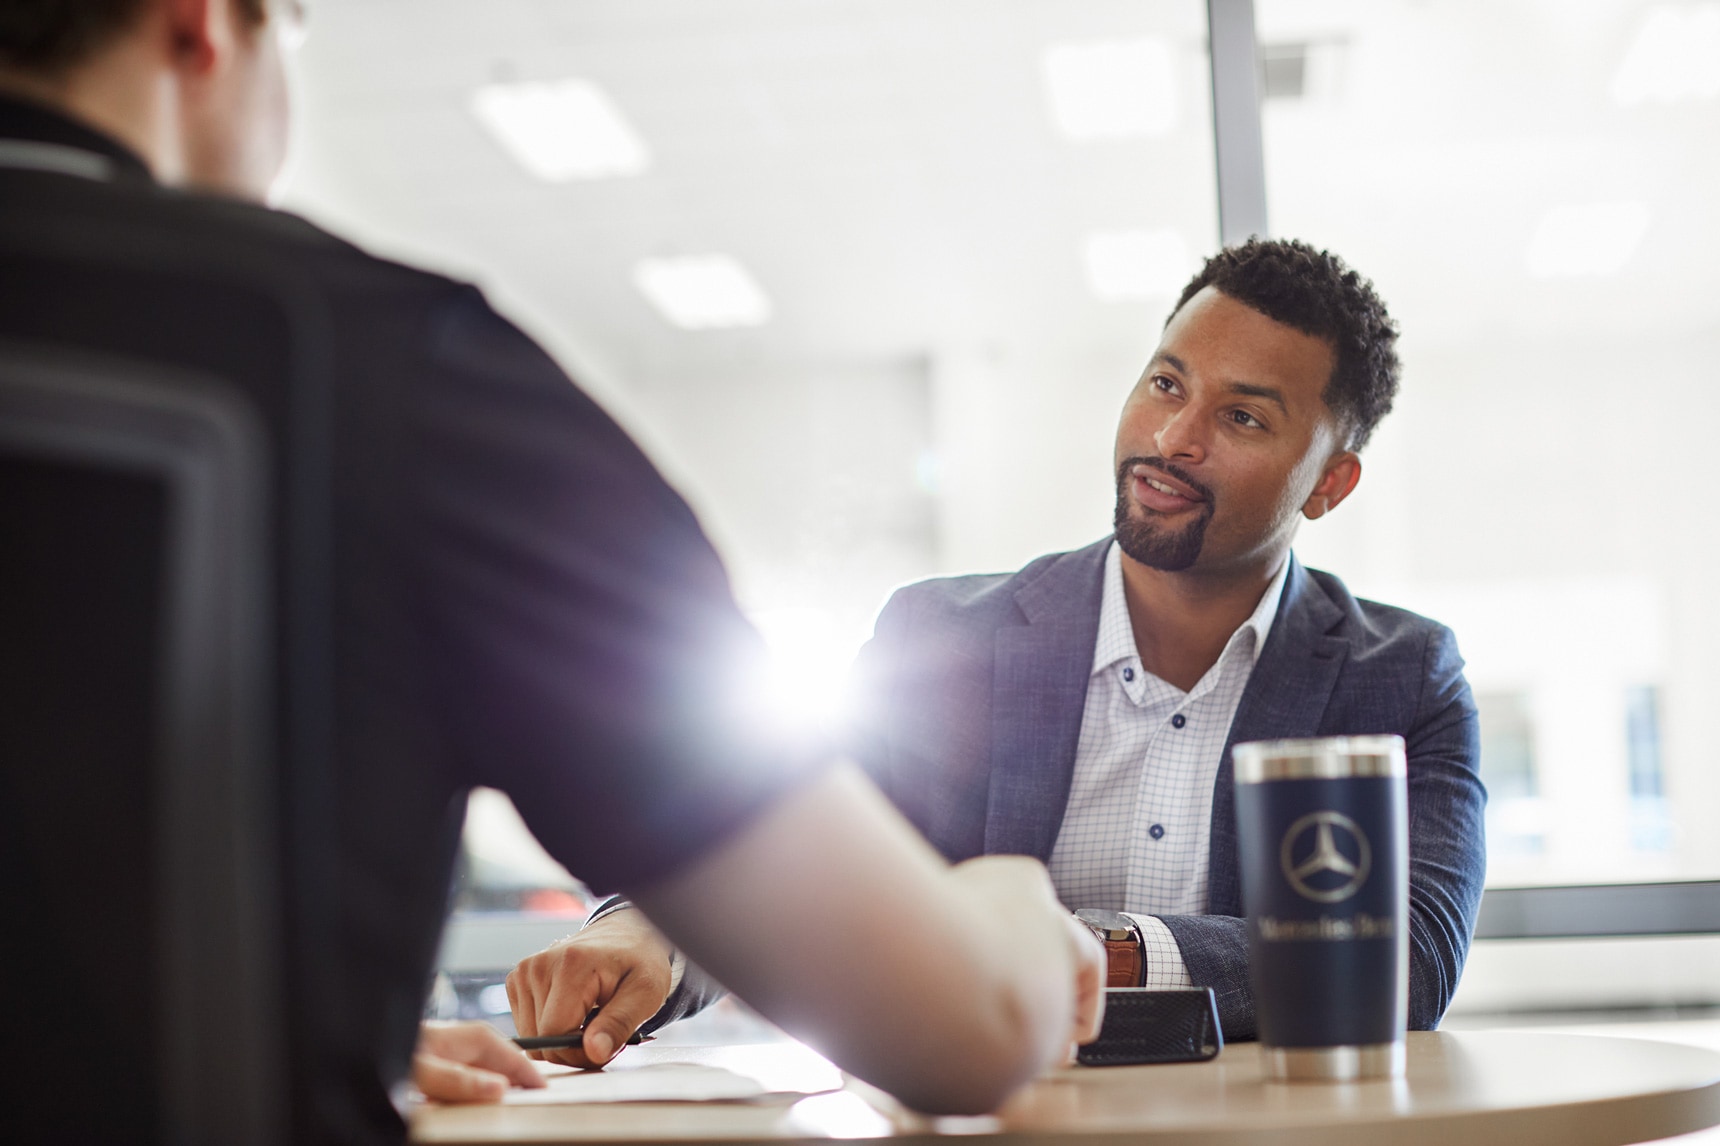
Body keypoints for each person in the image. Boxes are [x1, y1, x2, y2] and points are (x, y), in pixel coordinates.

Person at [0, 1, 1103, 1141]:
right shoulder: (399, 368)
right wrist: (1010, 908)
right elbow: (950, 1030)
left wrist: (322, 1023)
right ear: (203, 25)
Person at [509, 239, 1487, 1049]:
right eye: (1163, 384)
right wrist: (648, 933)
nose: (1172, 437)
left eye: (1239, 416)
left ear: (1328, 484)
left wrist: (1099, 952)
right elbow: (782, 843)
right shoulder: (941, 639)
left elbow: (1409, 962)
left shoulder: (1397, 678)